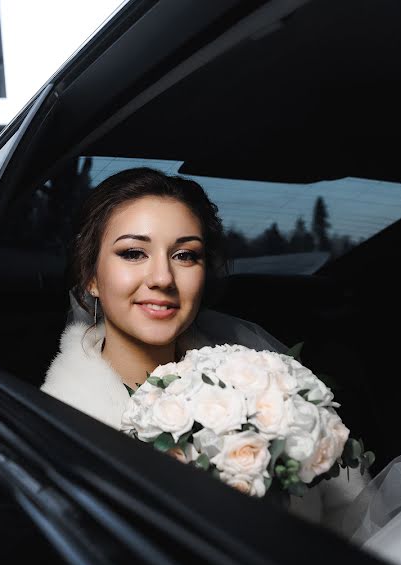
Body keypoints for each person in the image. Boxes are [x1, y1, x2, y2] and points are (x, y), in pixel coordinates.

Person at [40, 167, 367, 528]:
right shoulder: (60, 426)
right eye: (133, 253)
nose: (162, 278)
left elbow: (347, 511)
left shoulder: (257, 378)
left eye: (184, 255)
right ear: (90, 276)